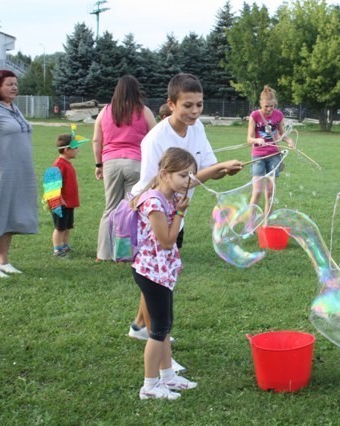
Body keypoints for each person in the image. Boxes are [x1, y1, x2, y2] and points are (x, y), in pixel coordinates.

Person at [127, 73, 243, 370]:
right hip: (155, 215)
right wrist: (208, 173)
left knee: (160, 282)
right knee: (158, 282)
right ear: (171, 104)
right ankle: (159, 347)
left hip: (177, 212)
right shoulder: (156, 139)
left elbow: (205, 168)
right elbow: (162, 183)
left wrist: (222, 169)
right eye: (187, 105)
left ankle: (142, 326)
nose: (194, 112)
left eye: (199, 105)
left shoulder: (197, 127)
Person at [133, 147, 198, 400]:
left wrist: (178, 208)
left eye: (191, 176)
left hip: (162, 271)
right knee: (158, 331)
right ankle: (149, 386)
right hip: (152, 273)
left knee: (165, 326)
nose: (188, 181)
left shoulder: (168, 198)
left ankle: (168, 376)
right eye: (183, 175)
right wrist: (181, 212)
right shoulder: (154, 202)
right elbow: (168, 241)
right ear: (164, 174)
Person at [93, 75, 157, 261]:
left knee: (110, 208)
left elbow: (97, 140)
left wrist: (98, 164)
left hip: (111, 163)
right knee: (131, 209)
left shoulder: (105, 111)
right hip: (136, 163)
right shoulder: (144, 111)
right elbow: (154, 138)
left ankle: (103, 254)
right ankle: (127, 254)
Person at [0, 70, 38, 278]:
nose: (14, 87)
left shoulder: (12, 107)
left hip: (18, 172)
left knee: (9, 214)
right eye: (9, 84)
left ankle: (2, 260)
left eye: (16, 83)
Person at [246, 85, 294, 220]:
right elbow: (249, 139)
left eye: (272, 106)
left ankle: (266, 224)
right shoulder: (255, 115)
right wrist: (257, 139)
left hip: (274, 156)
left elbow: (281, 134)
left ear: (275, 104)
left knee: (270, 193)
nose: (269, 109)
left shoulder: (278, 115)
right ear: (261, 103)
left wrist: (289, 140)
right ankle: (250, 224)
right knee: (257, 192)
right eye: (266, 106)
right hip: (258, 157)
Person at [51, 134, 81, 257]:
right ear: (66, 150)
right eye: (75, 148)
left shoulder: (67, 163)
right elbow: (53, 186)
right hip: (61, 204)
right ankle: (57, 249)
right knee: (60, 228)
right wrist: (59, 200)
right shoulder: (59, 165)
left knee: (67, 226)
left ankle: (65, 246)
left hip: (69, 203)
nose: (77, 150)